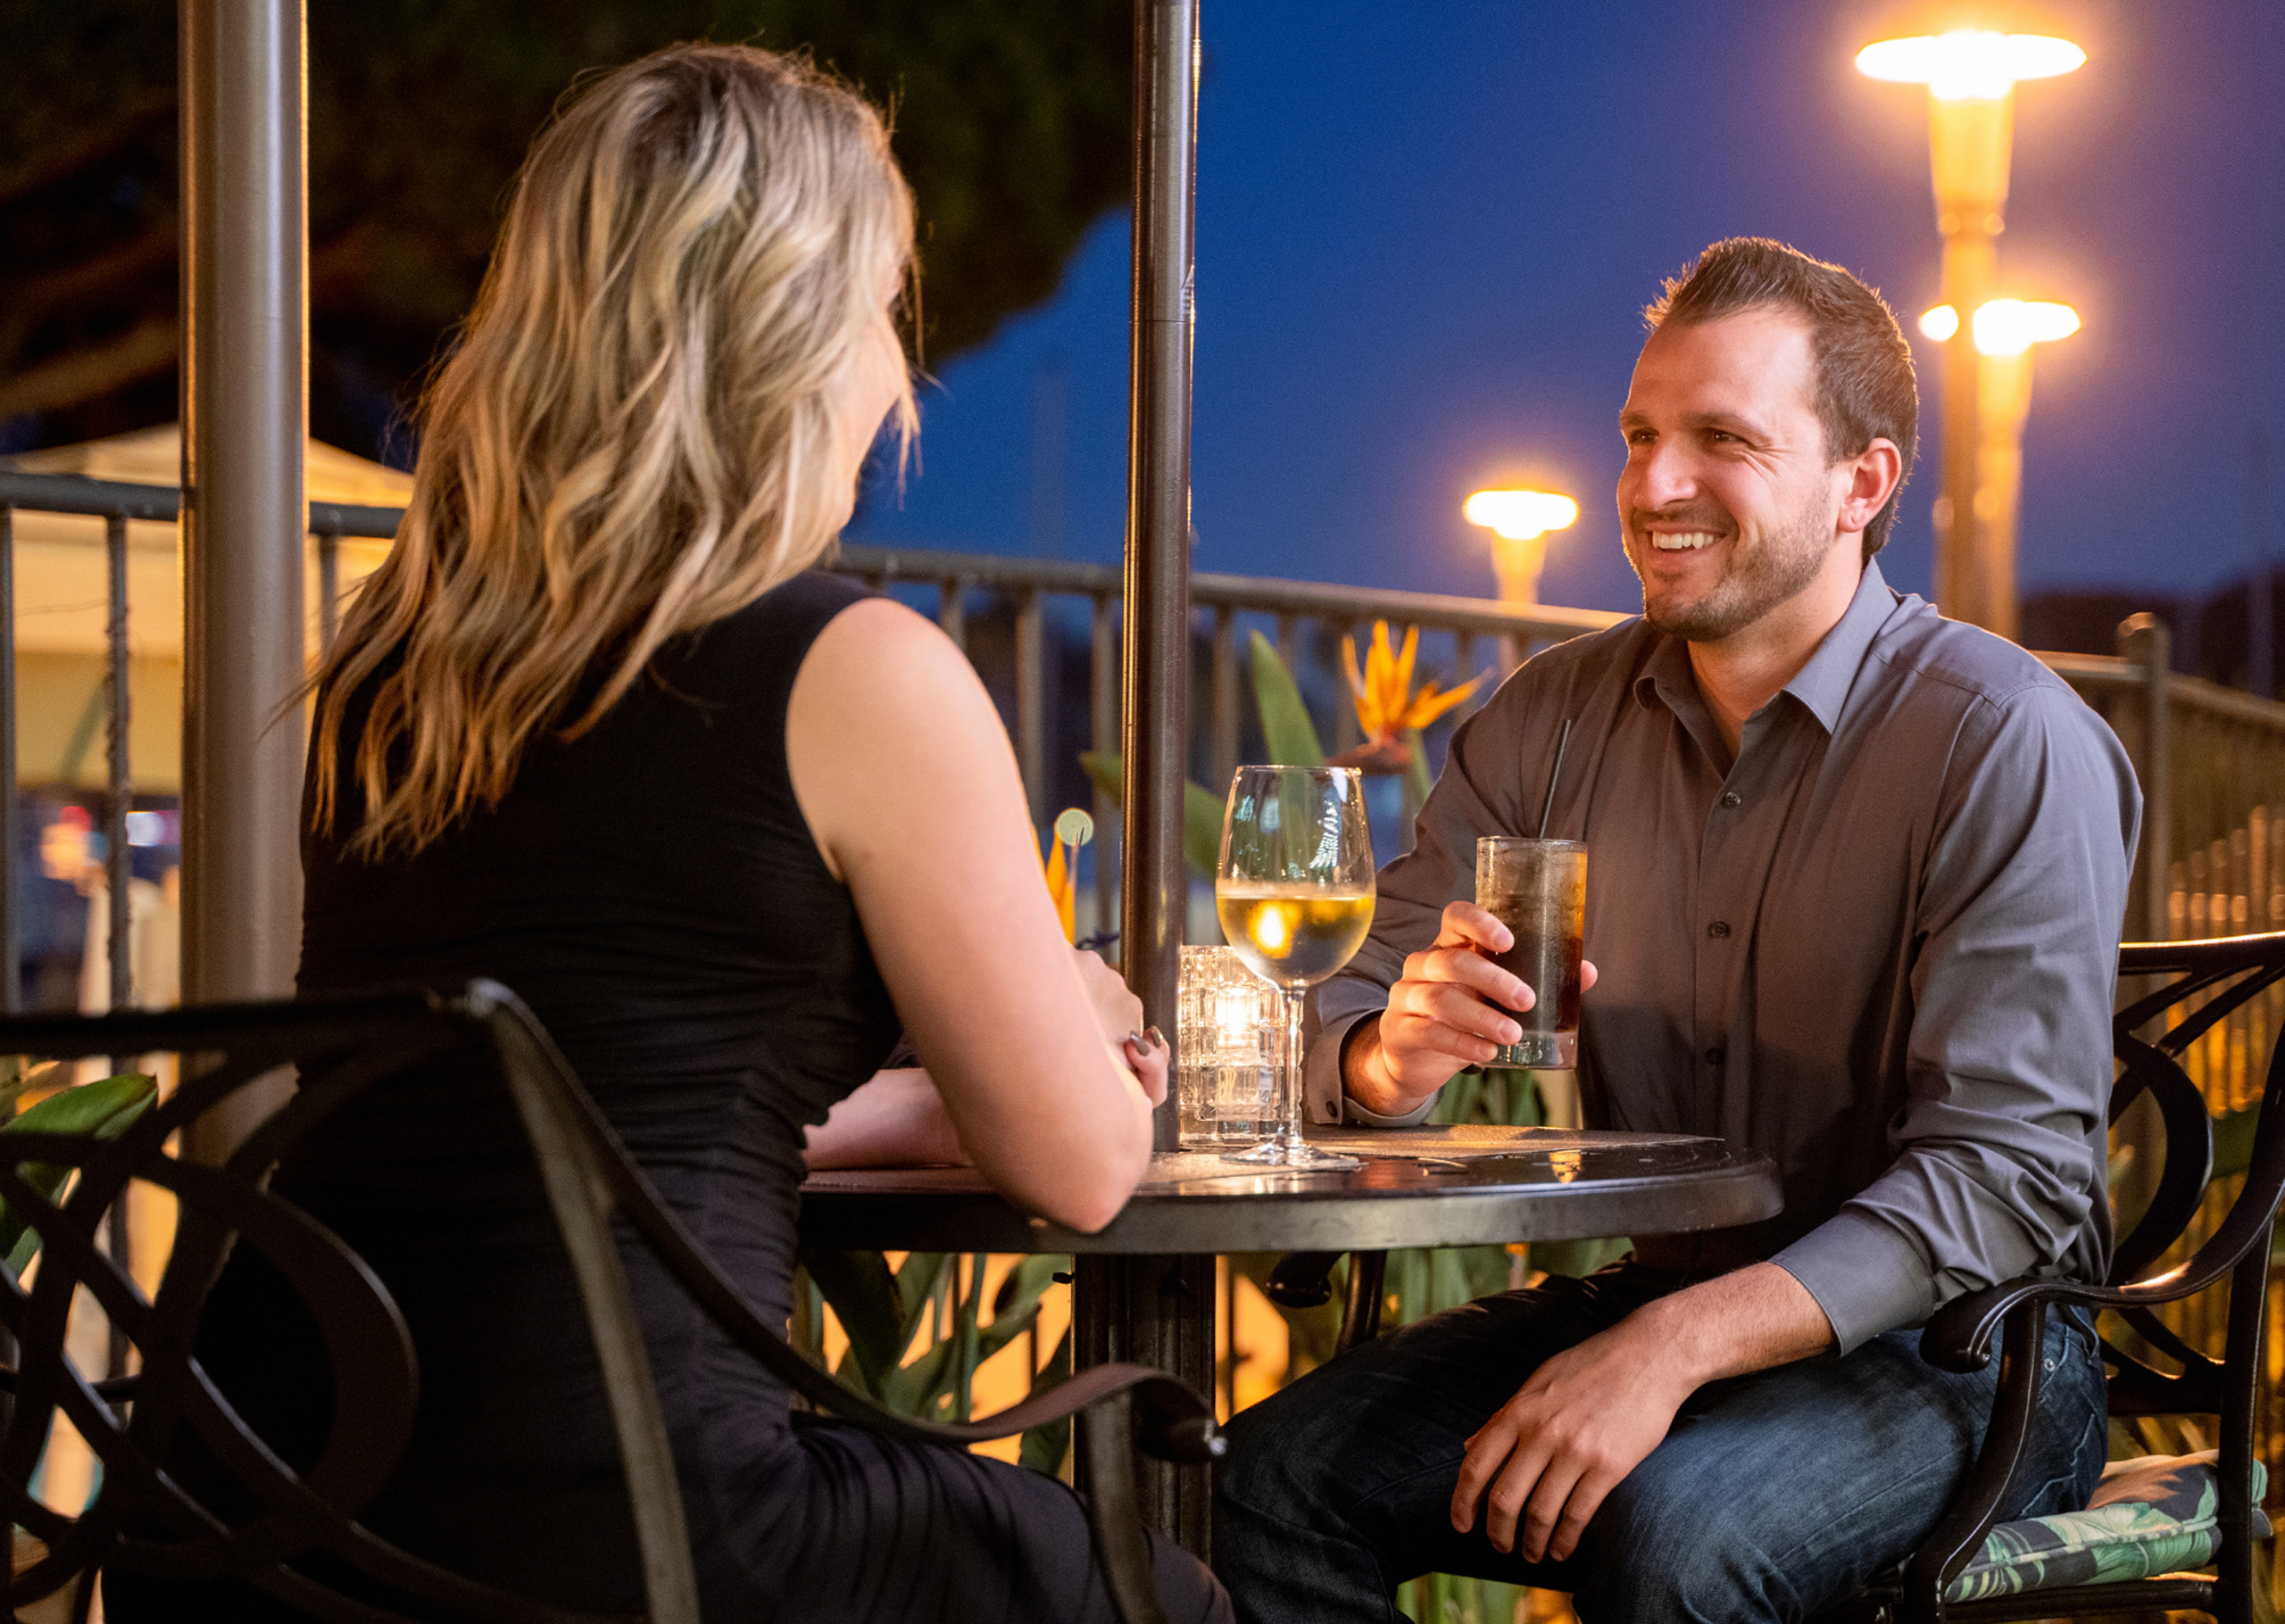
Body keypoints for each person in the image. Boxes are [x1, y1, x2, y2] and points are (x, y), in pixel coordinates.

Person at [107, 44, 1228, 1623]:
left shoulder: (388, 661)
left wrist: (903, 1110)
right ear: (795, 338)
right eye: (882, 311)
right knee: (1153, 1591)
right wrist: (1088, 1028)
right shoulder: (863, 673)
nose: (899, 379)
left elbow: (546, 1113)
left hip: (257, 1498)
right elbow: (1086, 1168)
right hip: (613, 1530)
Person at [1212, 238, 2140, 1623]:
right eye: (1641, 435)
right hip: (1664, 1301)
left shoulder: (2001, 740)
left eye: (1723, 440)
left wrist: (1669, 1348)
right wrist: (1378, 1065)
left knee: (1668, 1542)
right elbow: (1335, 991)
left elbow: (2003, 1181)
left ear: (1862, 485)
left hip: (1966, 1356)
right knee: (1259, 1488)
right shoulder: (1551, 718)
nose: (1651, 488)